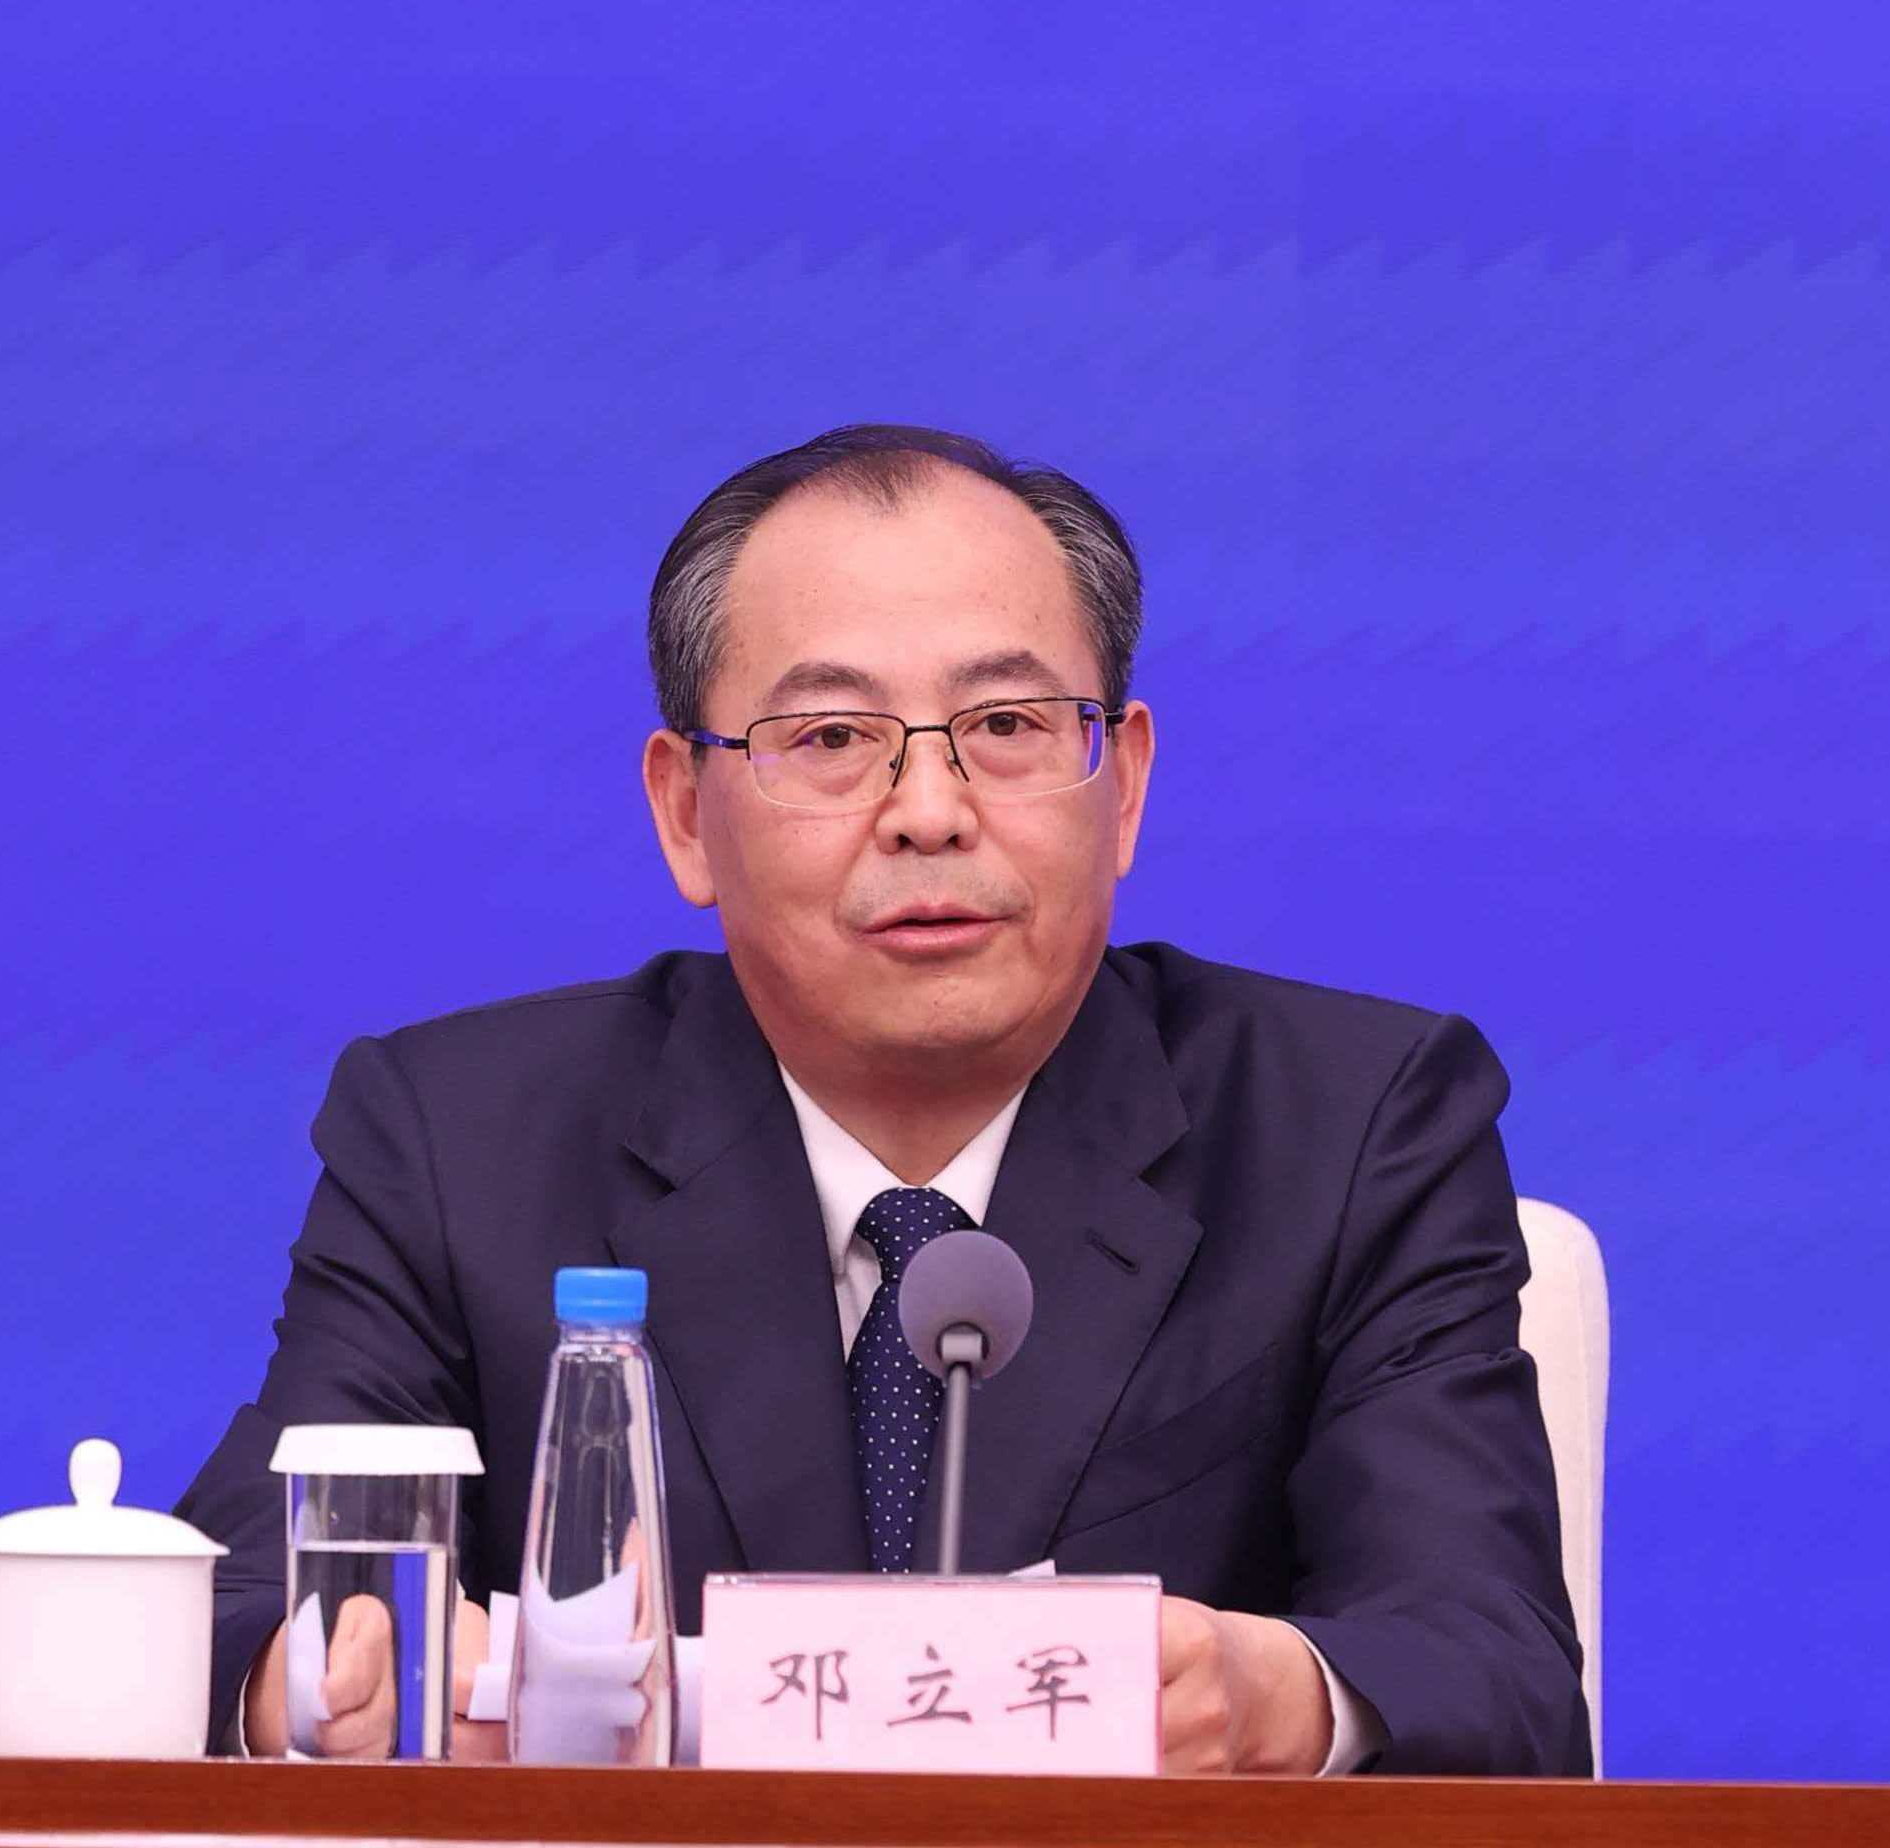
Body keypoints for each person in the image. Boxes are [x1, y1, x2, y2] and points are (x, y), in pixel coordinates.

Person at [173, 425, 1591, 1776]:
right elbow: (234, 1593)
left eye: (1008, 723)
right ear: (684, 813)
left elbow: (1494, 1669)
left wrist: (1279, 1695)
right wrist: (336, 1673)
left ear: (1125, 787)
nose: (927, 810)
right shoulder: (461, 1135)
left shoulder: (1350, 1127)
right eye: (833, 737)